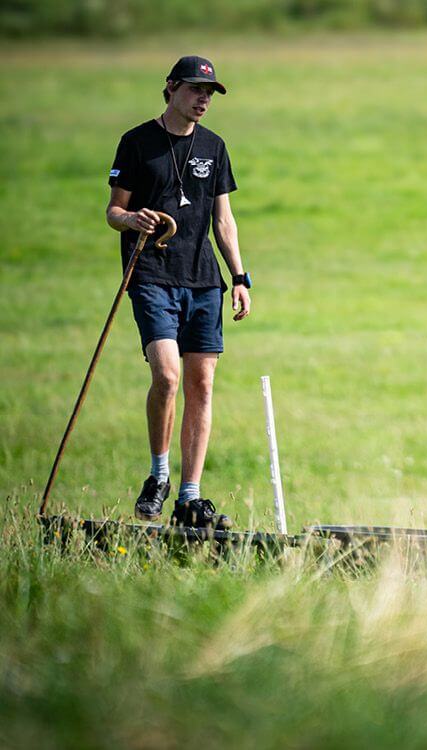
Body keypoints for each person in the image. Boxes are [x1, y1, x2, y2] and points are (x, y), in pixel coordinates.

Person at [105, 55, 250, 529]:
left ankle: (190, 496)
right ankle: (158, 475)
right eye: (195, 90)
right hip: (150, 274)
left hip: (203, 279)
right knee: (167, 377)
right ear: (170, 89)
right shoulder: (137, 143)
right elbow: (113, 211)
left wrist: (240, 278)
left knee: (201, 385)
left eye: (209, 92)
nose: (203, 99)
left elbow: (223, 220)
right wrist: (131, 219)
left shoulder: (215, 146)